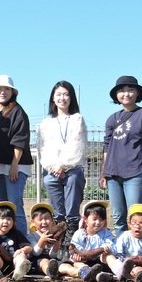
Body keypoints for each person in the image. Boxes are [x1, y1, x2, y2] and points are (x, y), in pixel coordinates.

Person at [99, 76, 142, 236]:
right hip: (113, 174)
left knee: (136, 217)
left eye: (130, 90)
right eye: (121, 90)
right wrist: (104, 172)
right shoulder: (112, 118)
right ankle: (121, 254)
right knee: (118, 218)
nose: (126, 94)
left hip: (135, 172)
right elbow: (107, 147)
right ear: (116, 95)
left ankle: (139, 255)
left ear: (137, 93)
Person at [36, 80, 87, 250]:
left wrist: (63, 165)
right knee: (51, 186)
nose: (62, 98)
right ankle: (59, 237)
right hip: (52, 170)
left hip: (71, 168)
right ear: (53, 97)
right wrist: (53, 166)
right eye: (58, 94)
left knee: (73, 182)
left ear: (71, 97)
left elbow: (77, 144)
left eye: (66, 94)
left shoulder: (77, 119)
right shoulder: (45, 123)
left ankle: (72, 234)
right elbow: (43, 147)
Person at [0, 75, 32, 234]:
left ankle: (22, 244)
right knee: (2, 208)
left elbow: (20, 140)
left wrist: (14, 165)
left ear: (13, 92)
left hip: (15, 166)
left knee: (15, 206)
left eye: (6, 89)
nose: (2, 92)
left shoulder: (18, 112)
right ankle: (5, 242)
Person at [68, 200, 115, 282]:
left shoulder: (106, 233)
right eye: (94, 219)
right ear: (85, 219)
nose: (98, 222)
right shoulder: (79, 234)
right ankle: (87, 273)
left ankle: (103, 274)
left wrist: (106, 250)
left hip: (100, 261)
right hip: (84, 262)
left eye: (101, 220)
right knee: (77, 264)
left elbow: (108, 245)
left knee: (109, 257)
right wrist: (76, 257)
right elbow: (76, 249)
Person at [0, 201, 31, 280]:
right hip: (0, 263)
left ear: (13, 222)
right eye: (2, 218)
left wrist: (22, 250)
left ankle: (18, 273)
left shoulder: (16, 233)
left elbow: (29, 247)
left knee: (22, 255)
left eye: (9, 219)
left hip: (14, 264)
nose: (5, 222)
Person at [26, 203, 65, 281]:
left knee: (65, 266)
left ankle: (81, 272)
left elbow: (53, 255)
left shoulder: (54, 235)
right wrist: (42, 240)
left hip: (53, 261)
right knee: (45, 261)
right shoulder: (31, 236)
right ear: (33, 222)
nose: (44, 222)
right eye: (40, 219)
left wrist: (57, 244)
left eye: (47, 219)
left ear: (52, 220)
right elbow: (35, 252)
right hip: (37, 262)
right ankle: (51, 273)